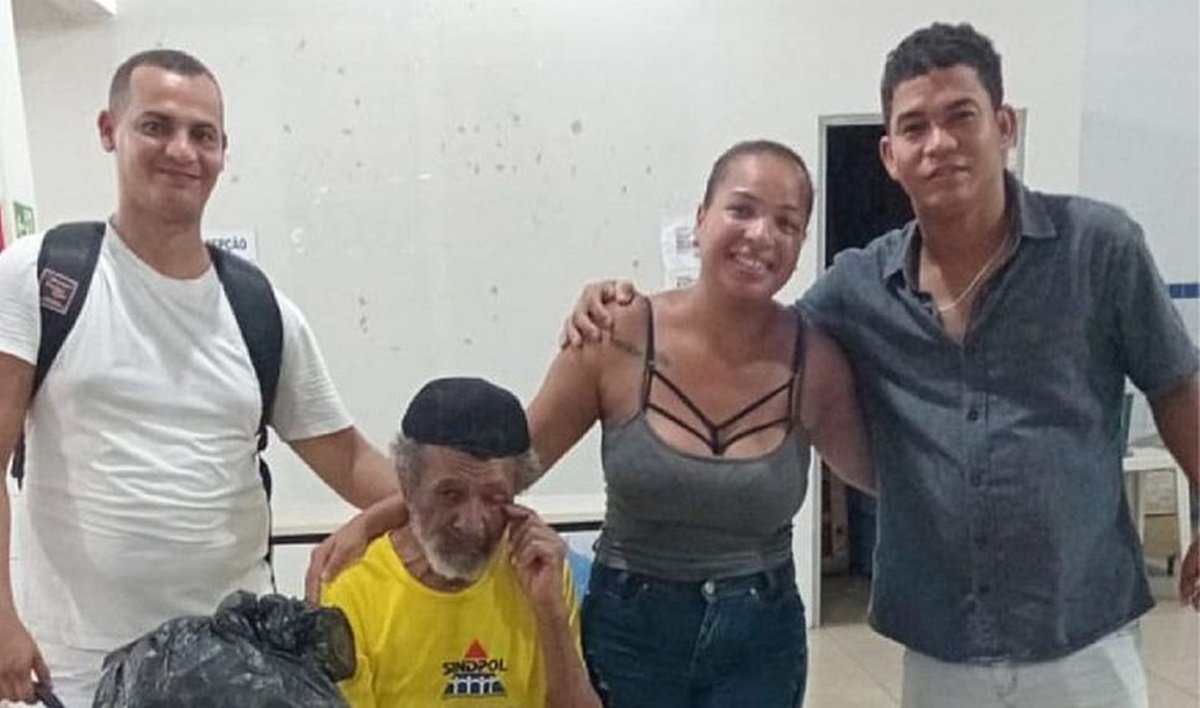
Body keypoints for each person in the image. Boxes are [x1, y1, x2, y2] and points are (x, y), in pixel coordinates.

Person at [566, 22, 1199, 708]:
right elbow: (756, 333)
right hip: (941, 641)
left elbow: (1176, 382)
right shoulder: (859, 288)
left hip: (1084, 629)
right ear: (890, 155)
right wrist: (626, 309)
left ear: (1004, 126)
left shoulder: (1098, 248)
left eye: (961, 115)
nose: (939, 143)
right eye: (914, 127)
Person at [308, 139, 875, 706]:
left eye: (786, 223)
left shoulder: (815, 361)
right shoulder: (615, 333)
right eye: (742, 209)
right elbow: (507, 467)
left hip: (759, 635)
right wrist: (374, 522)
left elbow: (880, 474)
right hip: (632, 629)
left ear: (802, 245)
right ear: (701, 219)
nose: (761, 235)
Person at [0, 50, 398, 706]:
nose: (182, 150)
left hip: (237, 673)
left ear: (222, 152)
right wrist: (2, 618)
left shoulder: (263, 311)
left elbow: (350, 459)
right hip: (79, 674)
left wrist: (459, 499)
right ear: (109, 130)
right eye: (156, 126)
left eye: (202, 134)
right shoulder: (40, 277)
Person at [321, 377, 599, 707]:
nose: (471, 522)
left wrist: (551, 611)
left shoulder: (538, 571)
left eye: (494, 498)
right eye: (450, 494)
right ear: (408, 487)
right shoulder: (354, 588)